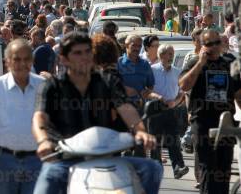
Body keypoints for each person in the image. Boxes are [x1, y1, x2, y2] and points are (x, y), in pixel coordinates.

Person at [32, 31, 162, 194]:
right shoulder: (52, 86)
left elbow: (126, 108)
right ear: (64, 59)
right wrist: (44, 141)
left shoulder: (108, 81)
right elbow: (39, 117)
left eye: (88, 52)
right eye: (78, 53)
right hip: (66, 158)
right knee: (45, 184)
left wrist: (141, 132)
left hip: (108, 156)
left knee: (152, 168)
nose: (84, 57)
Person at [0, 39, 45, 193]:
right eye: (17, 59)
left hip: (36, 162)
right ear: (7, 62)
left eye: (26, 59)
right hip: (3, 162)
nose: (22, 64)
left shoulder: (44, 86)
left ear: (32, 61)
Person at [179, 29, 241, 193]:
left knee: (224, 168)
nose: (213, 47)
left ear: (221, 44)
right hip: (203, 124)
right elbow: (184, 85)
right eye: (208, 44)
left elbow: (238, 94)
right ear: (202, 45)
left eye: (216, 43)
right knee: (208, 167)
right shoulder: (195, 63)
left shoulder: (229, 63)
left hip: (226, 124)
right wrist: (200, 63)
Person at [149, 44, 188, 179]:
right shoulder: (152, 70)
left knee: (173, 140)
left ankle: (178, 167)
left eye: (172, 53)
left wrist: (175, 102)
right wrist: (159, 98)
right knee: (156, 141)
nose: (171, 56)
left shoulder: (178, 72)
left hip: (172, 110)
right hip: (155, 109)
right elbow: (147, 90)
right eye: (169, 54)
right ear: (161, 56)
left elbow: (182, 93)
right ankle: (155, 169)